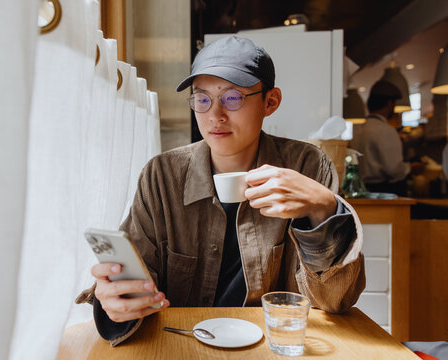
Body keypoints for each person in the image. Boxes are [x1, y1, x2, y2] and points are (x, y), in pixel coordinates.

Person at [77, 36, 365, 346]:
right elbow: (137, 279)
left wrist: (324, 208)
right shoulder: (163, 175)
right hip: (183, 344)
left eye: (233, 98)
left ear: (271, 101)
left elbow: (335, 302)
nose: (216, 115)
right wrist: (117, 300)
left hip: (270, 348)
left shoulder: (307, 166)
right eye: (202, 99)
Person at [350, 80, 423, 196]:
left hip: (362, 189)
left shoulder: (357, 129)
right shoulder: (386, 130)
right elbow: (394, 170)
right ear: (389, 103)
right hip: (384, 191)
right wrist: (410, 168)